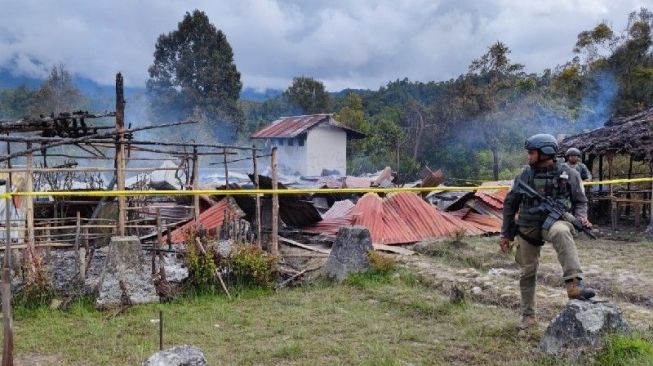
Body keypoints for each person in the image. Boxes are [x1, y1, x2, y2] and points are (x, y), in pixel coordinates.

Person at [500, 134, 596, 331]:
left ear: (546, 153)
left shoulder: (569, 173)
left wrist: (581, 217)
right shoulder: (524, 175)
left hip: (554, 222)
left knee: (562, 232)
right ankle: (528, 316)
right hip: (527, 227)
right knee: (527, 272)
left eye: (532, 152)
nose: (528, 156)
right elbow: (510, 205)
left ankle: (574, 284)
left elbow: (580, 201)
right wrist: (506, 235)